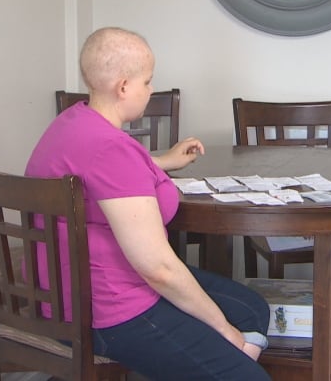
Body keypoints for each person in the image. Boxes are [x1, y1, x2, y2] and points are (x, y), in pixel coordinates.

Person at [26, 27, 271, 380]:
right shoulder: (113, 151)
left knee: (252, 308)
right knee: (246, 365)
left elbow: (100, 177)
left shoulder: (71, 124)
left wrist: (159, 161)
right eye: (147, 81)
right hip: (108, 311)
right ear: (123, 87)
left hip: (62, 294)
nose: (151, 90)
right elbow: (158, 269)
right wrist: (225, 333)